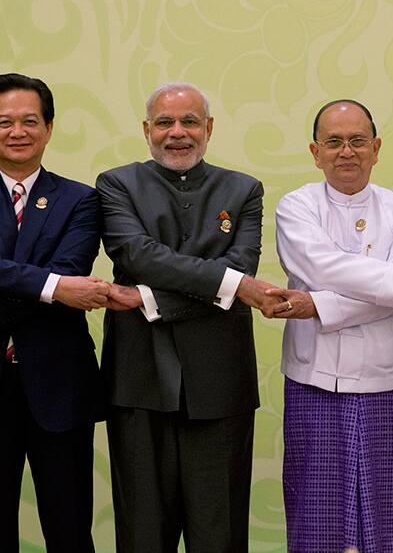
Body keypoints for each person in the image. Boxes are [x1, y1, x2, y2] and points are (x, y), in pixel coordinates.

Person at [268, 99, 393, 553]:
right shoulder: (296, 206)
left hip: (385, 384)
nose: (346, 152)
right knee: (313, 519)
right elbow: (322, 265)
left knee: (384, 518)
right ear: (314, 152)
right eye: (333, 142)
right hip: (313, 380)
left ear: (376, 148)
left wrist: (318, 307)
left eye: (358, 141)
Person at [96, 81, 279, 552]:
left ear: (209, 128)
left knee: (219, 532)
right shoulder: (116, 184)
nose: (177, 133)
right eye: (165, 122)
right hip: (138, 380)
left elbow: (241, 271)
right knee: (142, 533)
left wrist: (147, 300)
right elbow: (138, 255)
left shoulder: (243, 190)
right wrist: (225, 284)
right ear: (147, 130)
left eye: (190, 122)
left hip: (220, 384)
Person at [0, 73, 110, 551]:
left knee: (70, 530)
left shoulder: (81, 199)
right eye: (4, 122)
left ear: (49, 128)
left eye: (30, 121)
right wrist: (52, 287)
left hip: (59, 382)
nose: (18, 132)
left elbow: (71, 269)